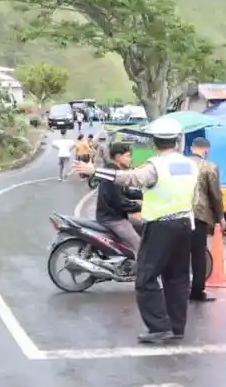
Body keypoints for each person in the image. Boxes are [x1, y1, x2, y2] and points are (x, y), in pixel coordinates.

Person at [75, 117, 197, 344]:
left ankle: (159, 327)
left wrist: (95, 171)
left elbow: (129, 178)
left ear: (153, 143)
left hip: (161, 226)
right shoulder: (191, 165)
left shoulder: (155, 166)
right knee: (178, 279)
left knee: (145, 277)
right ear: (178, 142)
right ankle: (176, 327)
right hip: (184, 226)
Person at [189, 137, 223, 303]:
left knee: (179, 253)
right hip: (199, 215)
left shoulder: (181, 164)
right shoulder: (210, 167)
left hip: (178, 212)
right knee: (198, 253)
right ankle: (197, 290)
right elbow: (215, 195)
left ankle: (177, 288)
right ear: (206, 149)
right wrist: (220, 217)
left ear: (191, 148)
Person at [95, 143, 143, 251]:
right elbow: (119, 202)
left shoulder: (115, 172)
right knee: (139, 246)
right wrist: (139, 206)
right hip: (112, 218)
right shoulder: (112, 175)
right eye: (127, 156)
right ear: (118, 157)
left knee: (144, 225)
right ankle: (139, 267)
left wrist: (145, 195)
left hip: (116, 214)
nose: (130, 159)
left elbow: (126, 192)